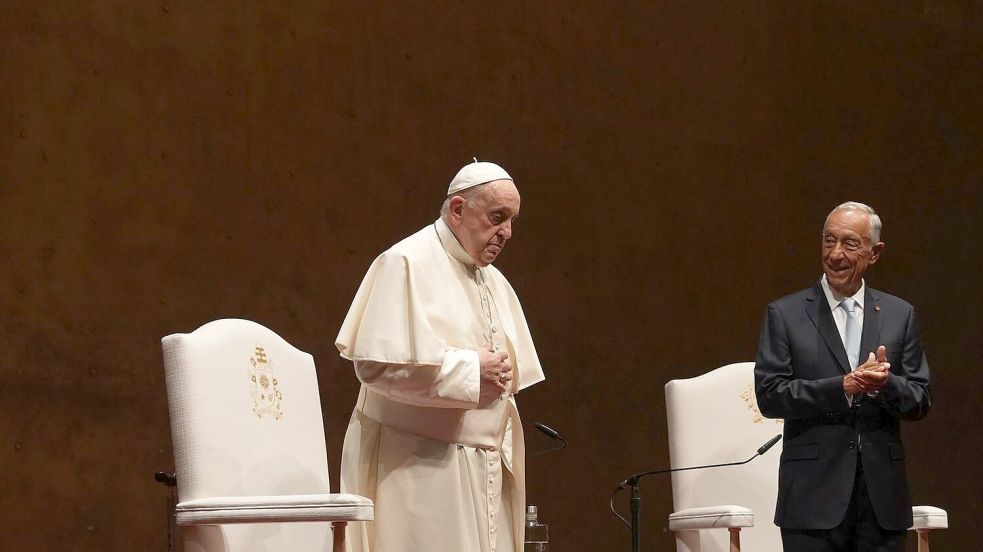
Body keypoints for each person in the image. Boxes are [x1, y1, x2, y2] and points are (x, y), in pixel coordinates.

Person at [335, 160, 545, 552]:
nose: (507, 233)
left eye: (512, 221)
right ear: (458, 210)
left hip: (482, 469)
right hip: (417, 465)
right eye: (497, 217)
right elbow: (374, 366)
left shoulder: (494, 280)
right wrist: (469, 370)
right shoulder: (405, 261)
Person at [754, 201, 931, 551]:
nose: (835, 254)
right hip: (812, 500)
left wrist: (885, 384)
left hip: (882, 503)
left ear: (875, 252)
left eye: (850, 244)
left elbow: (920, 399)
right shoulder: (786, 314)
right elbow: (770, 395)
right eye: (828, 241)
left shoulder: (899, 314)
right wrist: (843, 387)